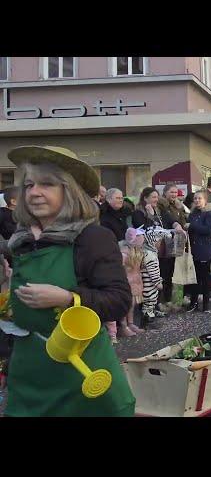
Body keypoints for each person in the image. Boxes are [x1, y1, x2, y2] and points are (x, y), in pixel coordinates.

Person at [4, 145, 134, 416]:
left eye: (47, 184)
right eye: (29, 185)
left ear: (69, 191)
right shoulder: (21, 240)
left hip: (81, 372)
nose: (34, 192)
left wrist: (67, 298)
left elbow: (119, 301)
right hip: (29, 371)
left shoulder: (92, 237)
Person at [157, 183, 189, 305]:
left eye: (175, 192)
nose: (174, 194)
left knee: (177, 270)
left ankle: (177, 297)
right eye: (171, 192)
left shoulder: (178, 206)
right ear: (165, 193)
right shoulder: (162, 206)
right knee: (166, 271)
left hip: (178, 240)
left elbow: (181, 221)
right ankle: (166, 299)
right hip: (166, 241)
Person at [186, 190, 211, 312]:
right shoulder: (192, 214)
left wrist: (192, 226)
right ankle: (193, 303)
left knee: (205, 278)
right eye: (195, 199)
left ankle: (206, 305)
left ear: (205, 200)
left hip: (204, 250)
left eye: (199, 198)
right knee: (195, 278)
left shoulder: (209, 214)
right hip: (194, 250)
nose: (197, 201)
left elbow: (208, 230)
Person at [116, 227, 145, 338]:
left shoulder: (138, 251)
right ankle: (123, 326)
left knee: (132, 304)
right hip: (127, 281)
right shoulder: (125, 252)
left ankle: (131, 323)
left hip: (136, 281)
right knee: (126, 304)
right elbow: (119, 267)